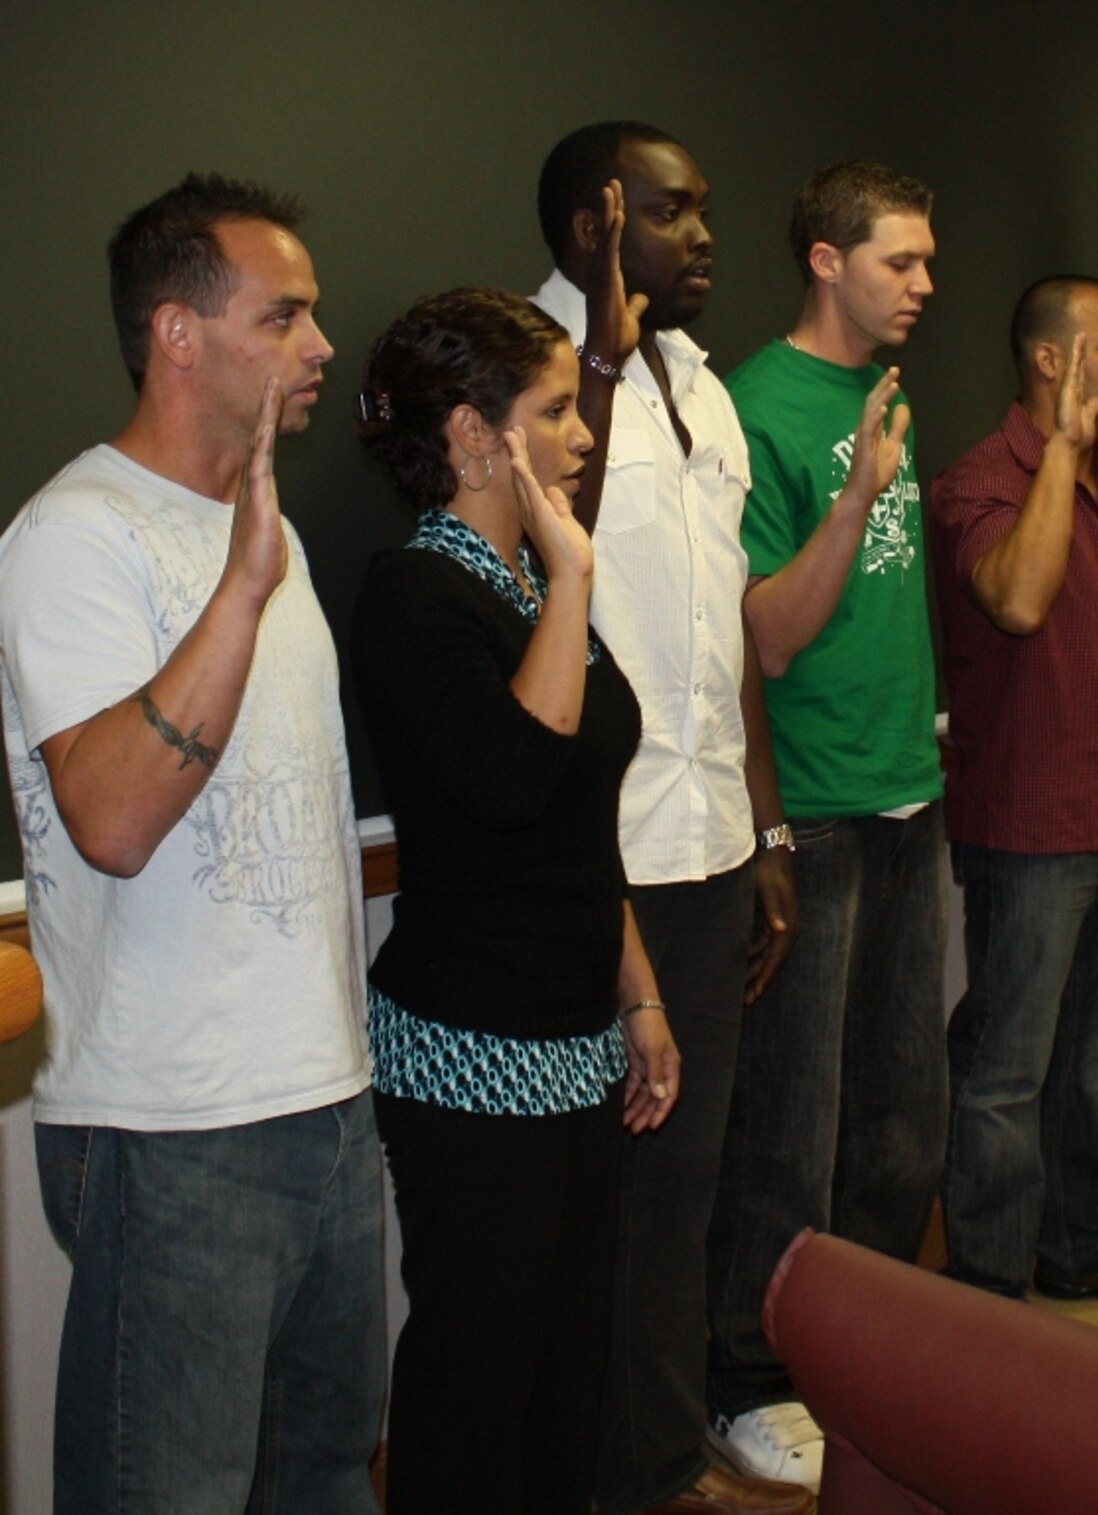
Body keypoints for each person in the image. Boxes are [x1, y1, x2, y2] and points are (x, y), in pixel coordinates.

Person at [0, 174, 384, 1512]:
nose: (321, 346)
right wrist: (239, 593)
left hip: (327, 1100)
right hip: (174, 1128)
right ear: (178, 334)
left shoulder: (261, 528)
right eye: (285, 316)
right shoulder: (70, 537)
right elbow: (109, 818)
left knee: (323, 1479)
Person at [351, 288, 678, 1512]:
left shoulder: (538, 585)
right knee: (475, 1381)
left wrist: (636, 996)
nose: (582, 432)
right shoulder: (415, 596)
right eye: (554, 409)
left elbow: (577, 826)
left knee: (567, 1375)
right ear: (475, 438)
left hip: (574, 1045)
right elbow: (512, 773)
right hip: (467, 1055)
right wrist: (577, 573)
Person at [530, 122, 810, 1515]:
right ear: (596, 225)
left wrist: (764, 833)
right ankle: (619, 1470)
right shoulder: (522, 367)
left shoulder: (700, 384)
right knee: (599, 1194)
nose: (706, 234)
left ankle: (659, 1450)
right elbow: (539, 558)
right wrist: (588, 348)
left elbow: (729, 640)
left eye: (705, 210)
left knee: (684, 1179)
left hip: (706, 844)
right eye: (674, 211)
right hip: (599, 859)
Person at [708, 160, 949, 1490]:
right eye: (899, 263)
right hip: (815, 810)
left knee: (904, 1120)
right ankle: (749, 1376)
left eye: (926, 261)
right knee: (787, 1126)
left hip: (911, 792)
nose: (924, 284)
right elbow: (771, 640)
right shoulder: (760, 406)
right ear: (823, 259)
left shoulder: (889, 389)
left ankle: (860, 1363)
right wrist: (855, 495)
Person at [930, 275, 1098, 1311]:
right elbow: (1015, 599)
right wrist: (1058, 451)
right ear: (1050, 360)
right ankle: (989, 1286)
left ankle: (1082, 1245)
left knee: (1092, 1061)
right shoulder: (978, 483)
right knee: (1007, 1067)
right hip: (1030, 825)